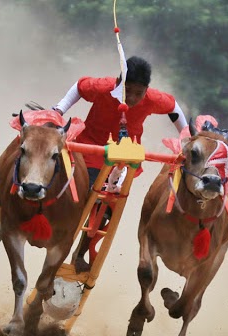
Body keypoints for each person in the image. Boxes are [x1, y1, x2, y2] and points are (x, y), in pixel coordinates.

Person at [50, 56, 188, 272]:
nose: (132, 98)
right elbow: (79, 86)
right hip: (89, 152)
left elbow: (174, 108)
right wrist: (58, 110)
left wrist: (187, 137)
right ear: (118, 83)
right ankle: (58, 247)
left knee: (107, 210)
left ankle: (79, 254)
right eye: (128, 90)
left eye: (138, 93)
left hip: (122, 161)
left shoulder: (152, 98)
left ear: (146, 90)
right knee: (82, 199)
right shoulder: (103, 87)